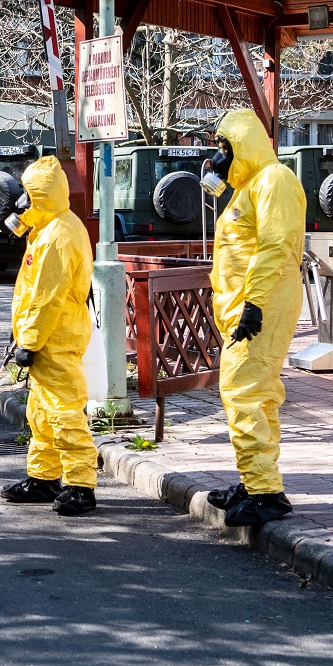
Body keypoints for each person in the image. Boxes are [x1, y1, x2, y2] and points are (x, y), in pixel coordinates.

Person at [202, 109, 305, 527]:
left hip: (260, 308)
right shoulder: (249, 188)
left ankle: (266, 493)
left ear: (243, 145)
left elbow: (275, 246)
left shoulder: (274, 180)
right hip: (248, 308)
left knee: (241, 392)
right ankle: (257, 480)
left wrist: (255, 303)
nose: (219, 156)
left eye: (224, 148)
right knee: (259, 395)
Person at [0, 155, 98, 516]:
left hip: (57, 335)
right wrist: (23, 336)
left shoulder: (58, 235)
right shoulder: (48, 227)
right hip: (47, 336)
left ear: (40, 194)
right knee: (41, 412)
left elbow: (46, 296)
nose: (21, 200)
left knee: (64, 411)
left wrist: (29, 340)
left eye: (26, 192)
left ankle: (81, 484)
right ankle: (43, 477)